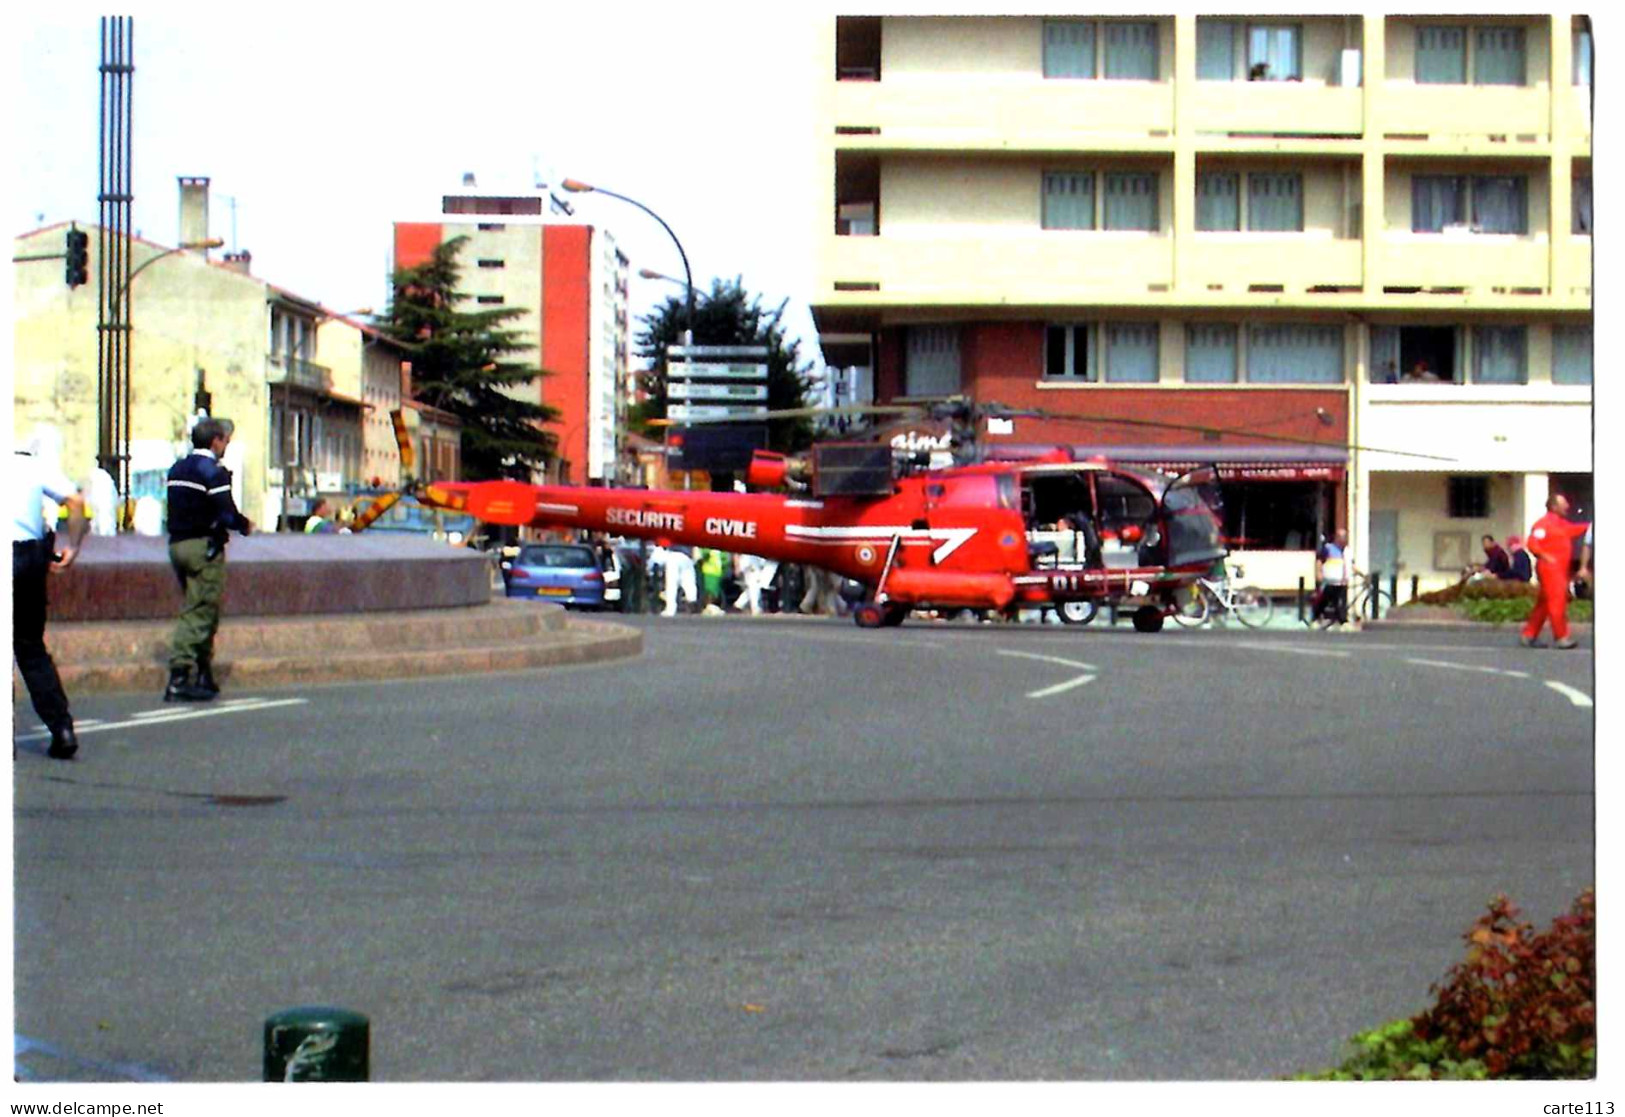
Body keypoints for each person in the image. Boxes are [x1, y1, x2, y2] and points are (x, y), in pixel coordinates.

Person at [165, 417, 253, 700]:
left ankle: (204, 672)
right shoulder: (212, 472)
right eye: (225, 440)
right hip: (203, 547)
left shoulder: (178, 468)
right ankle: (180, 676)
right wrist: (244, 525)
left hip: (177, 544)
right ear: (215, 440)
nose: (226, 446)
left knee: (200, 605)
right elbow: (226, 512)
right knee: (201, 609)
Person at [13, 445, 88, 759]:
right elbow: (76, 501)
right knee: (31, 648)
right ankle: (62, 729)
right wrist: (73, 546)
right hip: (28, 557)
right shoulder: (30, 464)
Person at [1518, 494, 1590, 649]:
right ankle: (1561, 636)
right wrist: (1545, 556)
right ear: (1554, 506)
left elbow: (1575, 529)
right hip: (1550, 569)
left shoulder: (1561, 524)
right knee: (1557, 602)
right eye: (1563, 504)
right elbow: (1532, 543)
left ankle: (1529, 634)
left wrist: (1590, 526)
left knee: (1544, 603)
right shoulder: (1542, 524)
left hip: (1558, 569)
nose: (1567, 507)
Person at [1316, 528, 1352, 626]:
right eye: (1341, 536)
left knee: (1340, 602)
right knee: (1325, 601)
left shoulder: (1347, 551)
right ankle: (1316, 617)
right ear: (1336, 537)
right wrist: (1318, 573)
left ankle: (1343, 622)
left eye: (1345, 536)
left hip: (1342, 582)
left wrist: (1362, 575)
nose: (1343, 539)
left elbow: (1350, 565)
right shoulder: (1328, 548)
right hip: (1330, 581)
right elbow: (1319, 561)